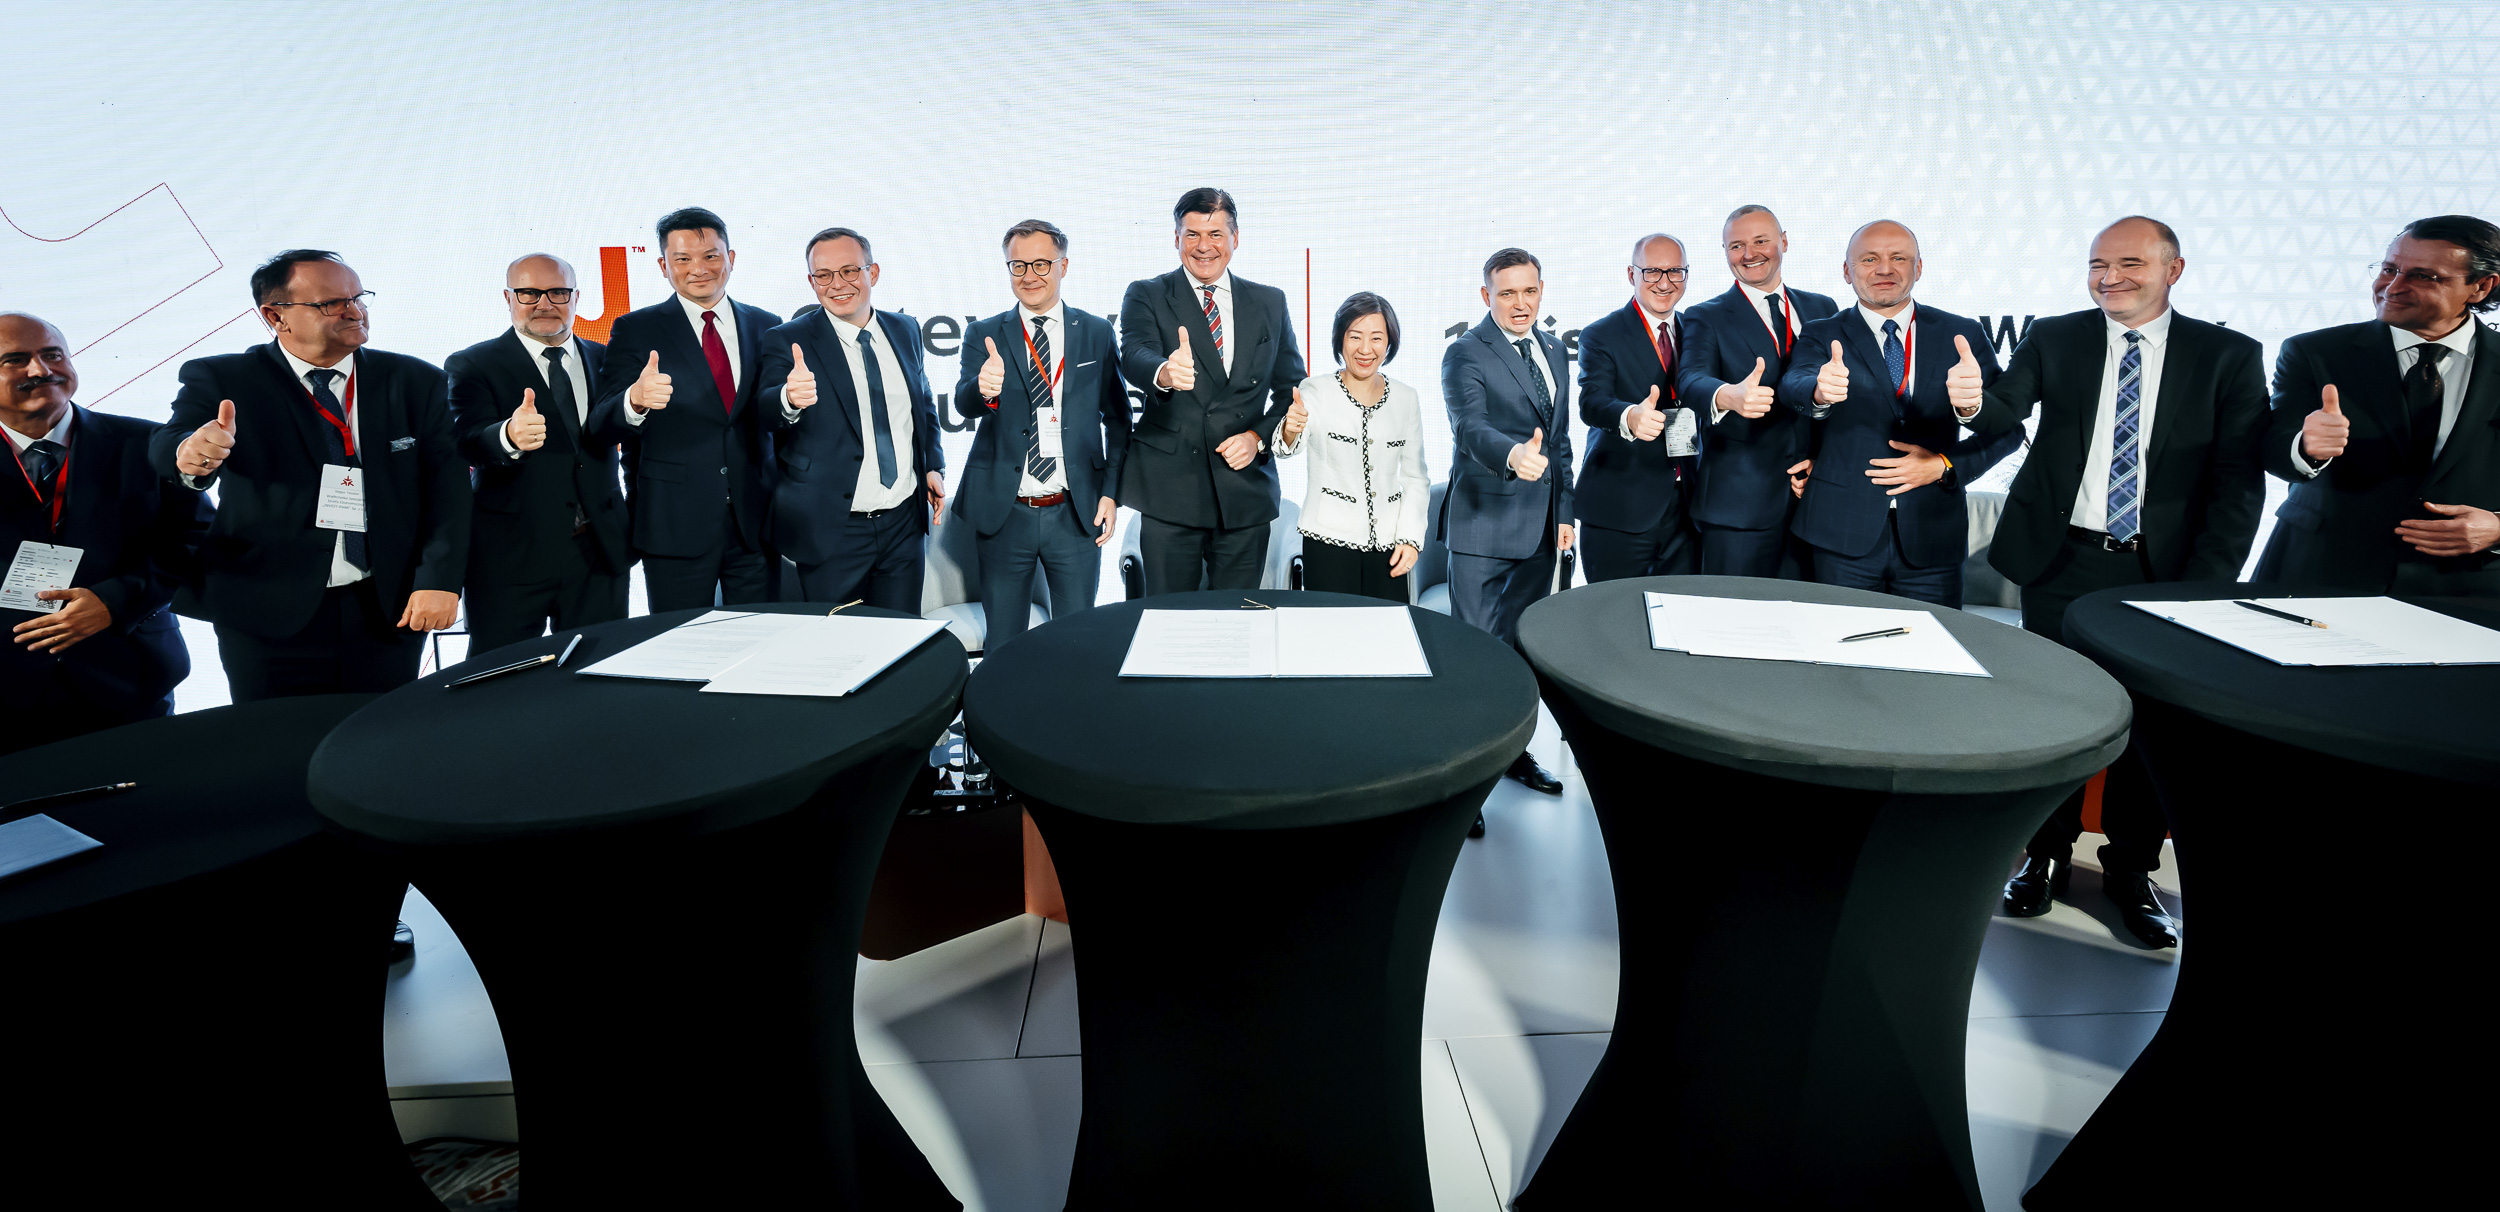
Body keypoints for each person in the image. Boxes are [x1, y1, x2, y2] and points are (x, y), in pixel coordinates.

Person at [1967, 216, 2270, 947]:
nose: (2110, 278)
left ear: (2174, 269)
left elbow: (2237, 480)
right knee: (2053, 716)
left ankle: (2131, 870)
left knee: (2150, 726)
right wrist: (1972, 402)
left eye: (2129, 263)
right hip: (2060, 561)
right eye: (2097, 264)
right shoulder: (2054, 337)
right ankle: (2041, 856)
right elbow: (2004, 408)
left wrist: (2206, 583)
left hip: (2164, 572)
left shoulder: (2228, 355)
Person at [153, 250, 467, 700]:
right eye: (331, 303)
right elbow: (171, 441)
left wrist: (439, 579)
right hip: (266, 609)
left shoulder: (414, 380)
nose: (354, 312)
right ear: (275, 316)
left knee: (381, 732)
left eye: (358, 298)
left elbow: (448, 489)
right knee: (274, 736)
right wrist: (190, 453)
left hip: (387, 605)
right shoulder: (224, 378)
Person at [1776, 221, 2023, 607]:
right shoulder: (1822, 333)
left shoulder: (1961, 334)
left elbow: (2008, 429)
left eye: (1899, 258)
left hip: (1933, 535)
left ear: (1918, 268)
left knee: (1935, 643)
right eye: (1869, 259)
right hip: (1840, 534)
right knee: (1839, 642)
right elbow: (1794, 383)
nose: (1884, 269)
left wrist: (1945, 464)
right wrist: (1819, 392)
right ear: (1847, 271)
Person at [2255, 214, 2500, 595]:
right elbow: (2273, 451)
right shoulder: (2314, 351)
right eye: (2389, 269)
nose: (2393, 287)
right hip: (2320, 571)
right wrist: (2306, 447)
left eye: (2424, 276)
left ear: (2481, 286)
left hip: (2468, 585)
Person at [2, 313, 209, 754]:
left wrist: (114, 602)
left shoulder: (149, 444)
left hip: (129, 680)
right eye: (15, 360)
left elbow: (196, 540)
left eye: (52, 354)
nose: (40, 370)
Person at [589, 208, 782, 613]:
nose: (699, 269)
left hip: (755, 522)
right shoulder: (635, 329)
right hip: (673, 523)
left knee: (762, 637)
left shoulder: (767, 325)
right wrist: (634, 400)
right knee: (677, 641)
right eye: (683, 259)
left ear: (731, 258)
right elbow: (601, 426)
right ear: (664, 266)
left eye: (711, 256)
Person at [1117, 188, 1307, 593]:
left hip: (1244, 491)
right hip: (1170, 490)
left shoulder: (1270, 302)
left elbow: (1291, 391)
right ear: (1176, 239)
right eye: (1192, 235)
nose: (1204, 246)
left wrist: (1256, 438)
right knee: (1169, 618)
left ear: (1235, 238)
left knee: (1237, 618)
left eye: (1216, 234)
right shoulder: (1147, 294)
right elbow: (1134, 353)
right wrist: (1165, 371)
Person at [950, 219, 1130, 644]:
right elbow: (963, 402)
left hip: (1075, 511)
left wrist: (1110, 493)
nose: (1029, 276)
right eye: (1018, 266)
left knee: (1076, 639)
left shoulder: (1096, 332)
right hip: (1004, 511)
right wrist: (983, 389)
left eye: (1041, 264)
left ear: (1063, 266)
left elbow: (1119, 419)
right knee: (1004, 642)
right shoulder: (984, 333)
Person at [752, 227, 946, 612]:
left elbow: (923, 405)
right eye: (823, 275)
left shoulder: (905, 329)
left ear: (873, 273)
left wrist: (933, 465)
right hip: (831, 531)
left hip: (903, 526)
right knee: (836, 642)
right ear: (812, 282)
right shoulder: (787, 339)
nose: (837, 284)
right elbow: (764, 411)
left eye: (849, 271)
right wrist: (788, 398)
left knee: (901, 637)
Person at [445, 254, 629, 654]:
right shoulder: (472, 364)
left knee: (600, 669)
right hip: (511, 556)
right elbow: (466, 440)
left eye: (558, 292)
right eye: (529, 293)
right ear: (508, 298)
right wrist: (508, 436)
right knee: (500, 677)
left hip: (598, 552)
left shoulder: (605, 360)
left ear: (576, 297)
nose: (544, 303)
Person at [1443, 247, 1574, 795]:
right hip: (1482, 526)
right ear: (1486, 295)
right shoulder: (1465, 352)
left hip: (1540, 530)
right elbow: (1469, 428)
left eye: (1530, 291)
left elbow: (1561, 441)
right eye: (1507, 293)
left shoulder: (1553, 349)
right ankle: (1464, 779)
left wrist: (1565, 513)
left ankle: (1514, 753)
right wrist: (1513, 455)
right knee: (1473, 658)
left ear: (1541, 291)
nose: (1521, 303)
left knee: (1519, 656)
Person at [1677, 205, 1844, 577]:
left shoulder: (1822, 307)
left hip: (1813, 498)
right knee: (1732, 611)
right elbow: (1690, 379)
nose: (1749, 254)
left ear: (1784, 241)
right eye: (1736, 246)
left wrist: (1823, 462)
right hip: (1738, 507)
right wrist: (1729, 396)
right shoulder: (1706, 315)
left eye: (1760, 241)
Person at [1276, 292, 1428, 603]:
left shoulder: (1406, 398)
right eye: (1355, 336)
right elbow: (1288, 447)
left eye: (1376, 338)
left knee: (1387, 628)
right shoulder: (1315, 390)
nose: (1365, 349)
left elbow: (1416, 477)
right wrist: (1290, 429)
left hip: (1389, 547)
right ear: (1340, 340)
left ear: (1389, 342)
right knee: (1331, 628)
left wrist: (1410, 538)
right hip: (1327, 542)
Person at [1571, 234, 1703, 581]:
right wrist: (1630, 416)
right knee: (1614, 610)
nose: (1665, 282)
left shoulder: (1697, 331)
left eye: (1675, 271)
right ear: (1632, 274)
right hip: (1620, 508)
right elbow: (1592, 402)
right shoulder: (1601, 334)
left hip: (1687, 507)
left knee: (1680, 608)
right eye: (1652, 271)